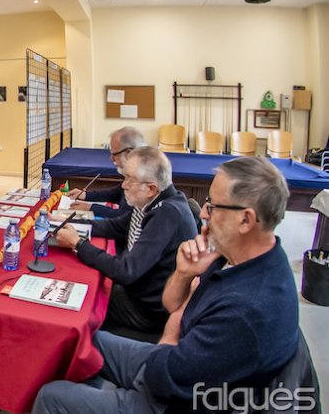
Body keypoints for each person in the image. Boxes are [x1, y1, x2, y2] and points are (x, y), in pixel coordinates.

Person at [34, 157, 299, 414]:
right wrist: (183, 274)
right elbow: (172, 304)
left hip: (169, 395)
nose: (204, 213)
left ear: (246, 220)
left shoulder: (248, 309)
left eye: (214, 206)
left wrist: (173, 327)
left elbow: (164, 375)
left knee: (52, 395)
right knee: (82, 340)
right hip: (174, 359)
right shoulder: (237, 257)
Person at [55, 147, 197, 337]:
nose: (123, 186)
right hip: (137, 291)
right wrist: (66, 221)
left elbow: (125, 271)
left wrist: (78, 244)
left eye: (129, 179)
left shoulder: (165, 215)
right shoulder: (151, 202)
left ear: (151, 188)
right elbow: (114, 227)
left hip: (144, 310)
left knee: (74, 303)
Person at [68, 126, 146, 218]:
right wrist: (86, 195)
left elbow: (125, 218)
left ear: (129, 153)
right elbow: (117, 193)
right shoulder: (136, 172)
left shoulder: (145, 177)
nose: (111, 158)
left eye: (114, 154)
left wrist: (91, 208)